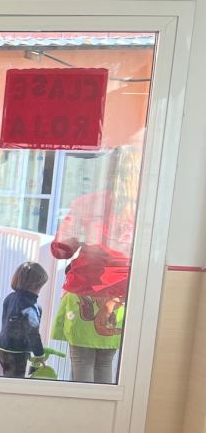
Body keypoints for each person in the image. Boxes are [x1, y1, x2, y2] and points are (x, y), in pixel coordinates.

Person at [49, 146, 139, 384]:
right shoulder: (143, 208)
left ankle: (81, 408)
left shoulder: (87, 203)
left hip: (84, 291)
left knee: (81, 362)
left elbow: (61, 249)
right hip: (122, 296)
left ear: (108, 170)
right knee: (105, 363)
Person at [0, 261, 49, 377]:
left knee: (8, 377)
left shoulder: (10, 297)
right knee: (15, 382)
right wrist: (39, 354)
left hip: (1, 347)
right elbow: (32, 333)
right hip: (16, 351)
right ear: (35, 285)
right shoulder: (30, 307)